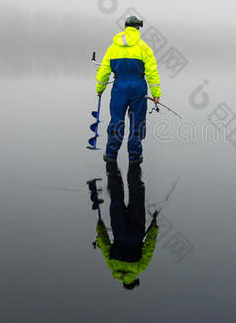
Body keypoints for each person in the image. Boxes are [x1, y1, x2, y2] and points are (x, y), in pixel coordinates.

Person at [95, 16, 161, 164]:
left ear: (125, 27)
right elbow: (152, 72)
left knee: (116, 120)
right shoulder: (144, 47)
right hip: (138, 88)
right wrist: (156, 95)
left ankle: (111, 154)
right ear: (138, 28)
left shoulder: (113, 47)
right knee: (137, 122)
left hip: (119, 88)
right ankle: (134, 156)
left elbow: (104, 70)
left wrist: (100, 88)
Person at [94, 162, 159, 290]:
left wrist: (154, 228)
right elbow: (104, 244)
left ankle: (134, 163)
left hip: (136, 232)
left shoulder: (140, 268)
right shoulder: (112, 266)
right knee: (116, 198)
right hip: (119, 230)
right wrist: (100, 227)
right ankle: (111, 163)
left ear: (134, 280)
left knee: (136, 197)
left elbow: (149, 248)